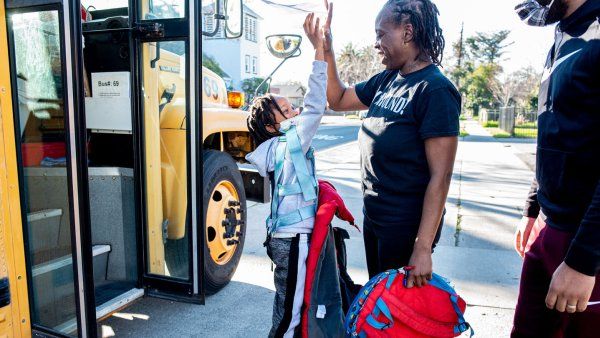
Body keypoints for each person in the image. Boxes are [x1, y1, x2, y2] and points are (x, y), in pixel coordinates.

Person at [322, 0, 460, 288]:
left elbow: (441, 176)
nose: (376, 43)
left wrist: (422, 248)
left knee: (394, 317)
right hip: (375, 219)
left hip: (404, 228)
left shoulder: (435, 89)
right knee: (379, 306)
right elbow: (337, 100)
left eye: (381, 34)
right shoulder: (387, 79)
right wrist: (326, 46)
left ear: (407, 32)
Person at [512, 0, 600, 336]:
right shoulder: (563, 33)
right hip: (549, 229)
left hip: (586, 243)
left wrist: (583, 261)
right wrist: (532, 208)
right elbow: (558, 130)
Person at [245, 12, 331, 338]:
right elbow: (315, 104)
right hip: (295, 240)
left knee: (286, 306)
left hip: (283, 238)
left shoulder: (272, 150)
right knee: (290, 317)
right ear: (272, 126)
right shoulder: (291, 140)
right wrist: (319, 50)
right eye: (287, 109)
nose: (295, 112)